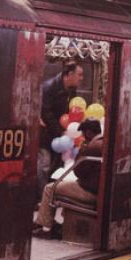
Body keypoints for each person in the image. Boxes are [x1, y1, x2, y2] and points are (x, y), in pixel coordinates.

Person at [33, 119, 103, 239]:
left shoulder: (92, 146)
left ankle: (45, 227)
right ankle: (44, 221)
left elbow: (78, 171)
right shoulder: (103, 142)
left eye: (83, 133)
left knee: (50, 188)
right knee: (63, 185)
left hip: (88, 192)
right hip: (96, 190)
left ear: (89, 133)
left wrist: (82, 150)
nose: (82, 136)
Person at [37, 61, 84, 200]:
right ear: (69, 74)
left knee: (56, 166)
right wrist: (61, 132)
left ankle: (53, 196)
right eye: (79, 75)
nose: (81, 78)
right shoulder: (49, 87)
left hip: (61, 136)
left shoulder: (72, 90)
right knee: (44, 165)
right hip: (46, 134)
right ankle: (42, 199)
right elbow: (46, 114)